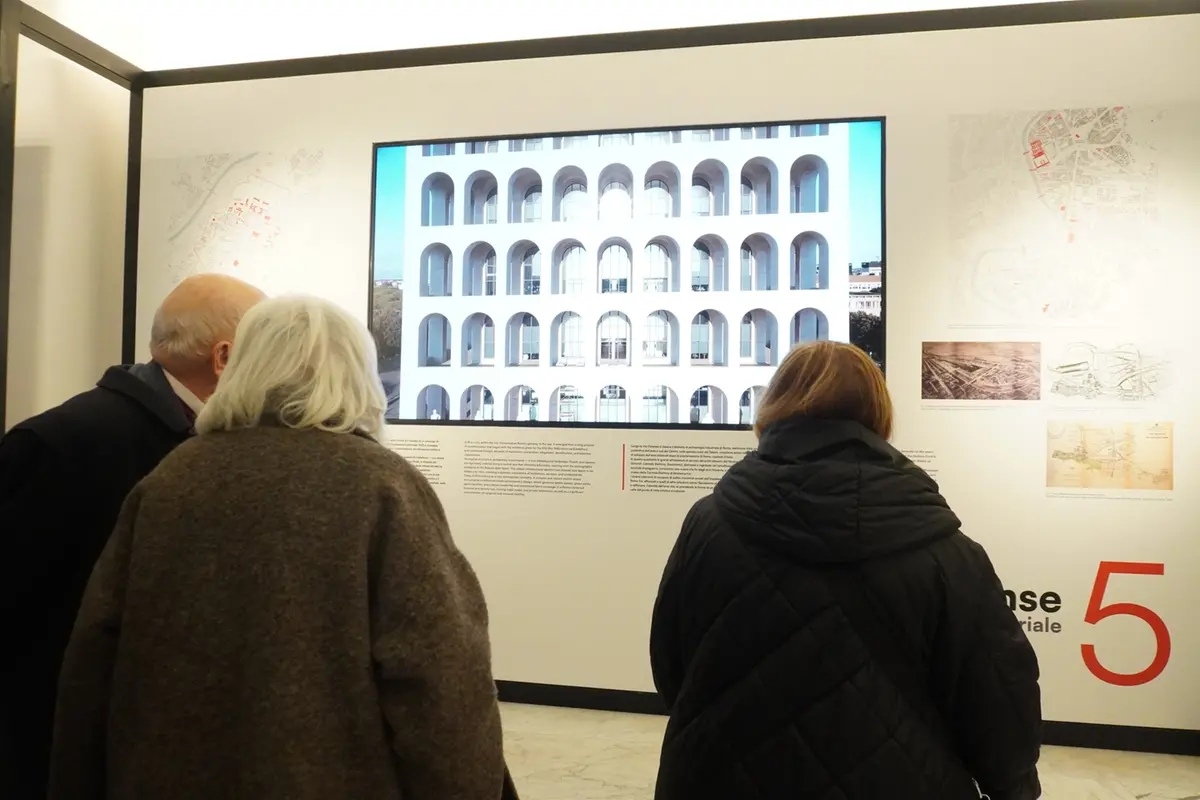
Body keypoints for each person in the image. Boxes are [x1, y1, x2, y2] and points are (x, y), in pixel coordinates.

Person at [47, 295, 512, 800]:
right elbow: (439, 680)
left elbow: (93, 657)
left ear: (243, 366)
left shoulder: (171, 479)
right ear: (358, 374)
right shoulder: (382, 486)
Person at [649, 340, 1042, 800]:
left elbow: (672, 664)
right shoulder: (945, 551)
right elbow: (997, 698)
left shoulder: (708, 523)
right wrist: (1013, 788)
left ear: (775, 404)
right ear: (878, 411)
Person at [0, 273, 265, 798]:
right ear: (225, 357)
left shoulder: (181, 442)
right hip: (54, 746)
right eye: (269, 352)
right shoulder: (63, 444)